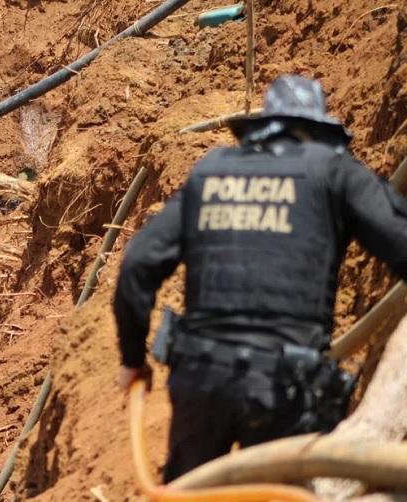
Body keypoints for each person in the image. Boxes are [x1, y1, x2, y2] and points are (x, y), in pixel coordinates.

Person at [113, 74, 407, 482]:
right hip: (282, 392)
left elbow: (137, 265)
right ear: (319, 129)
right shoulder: (334, 171)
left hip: (200, 383)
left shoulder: (210, 172)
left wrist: (132, 360)